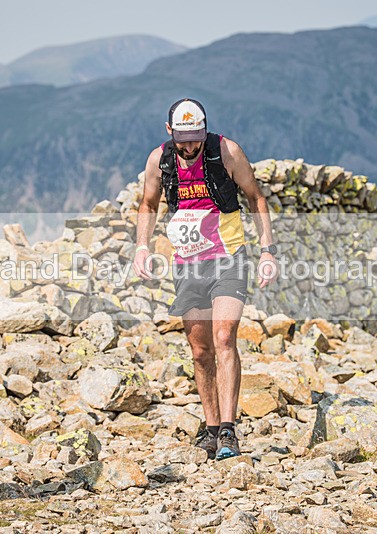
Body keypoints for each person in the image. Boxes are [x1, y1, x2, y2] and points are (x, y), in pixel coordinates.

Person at [134, 98, 278, 460]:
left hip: (229, 258)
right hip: (187, 264)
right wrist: (141, 247)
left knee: (224, 336)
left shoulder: (227, 152)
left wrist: (267, 251)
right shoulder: (159, 160)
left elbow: (256, 197)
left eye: (196, 138)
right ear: (170, 132)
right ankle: (211, 430)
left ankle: (229, 431)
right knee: (200, 351)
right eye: (183, 139)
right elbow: (149, 204)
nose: (190, 146)